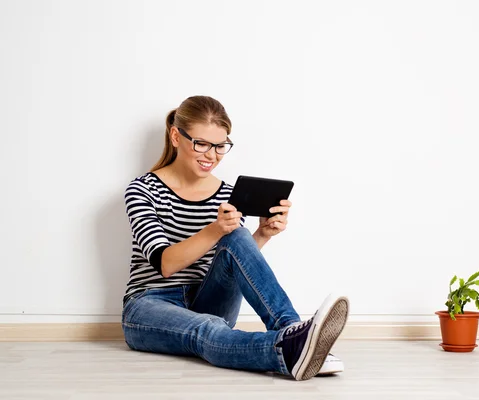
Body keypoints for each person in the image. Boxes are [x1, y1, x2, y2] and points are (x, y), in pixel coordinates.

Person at [121, 95, 349, 381]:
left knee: (238, 236)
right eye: (201, 144)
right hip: (150, 305)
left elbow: (233, 259)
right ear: (176, 137)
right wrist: (214, 229)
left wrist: (262, 234)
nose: (211, 155)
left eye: (220, 146)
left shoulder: (228, 195)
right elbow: (165, 264)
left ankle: (293, 331)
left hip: (208, 299)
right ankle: (293, 349)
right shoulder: (142, 189)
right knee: (207, 331)